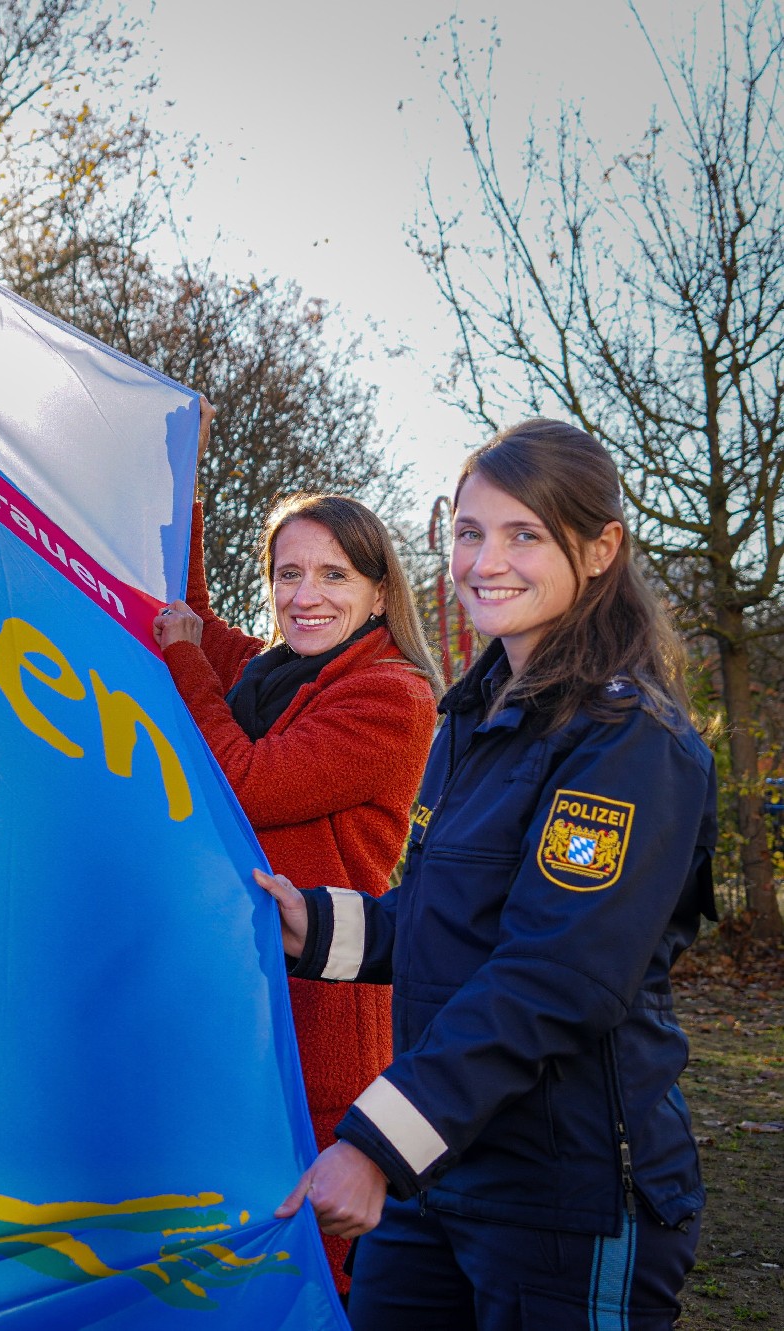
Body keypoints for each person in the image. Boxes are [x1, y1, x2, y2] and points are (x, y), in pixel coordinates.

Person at [261, 419, 718, 1329]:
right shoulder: (472, 718)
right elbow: (441, 921)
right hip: (444, 1173)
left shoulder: (629, 741)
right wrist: (308, 924)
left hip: (565, 1197)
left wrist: (376, 1146)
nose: (485, 561)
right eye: (470, 532)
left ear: (599, 549)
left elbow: (554, 978)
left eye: (524, 534)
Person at [153, 466, 441, 1293]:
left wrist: (182, 654)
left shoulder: (392, 696)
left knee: (313, 1258)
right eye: (288, 573)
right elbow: (195, 618)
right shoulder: (277, 672)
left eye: (333, 574)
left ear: (381, 593)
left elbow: (241, 776)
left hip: (319, 1007)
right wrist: (186, 474)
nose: (304, 594)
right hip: (239, 985)